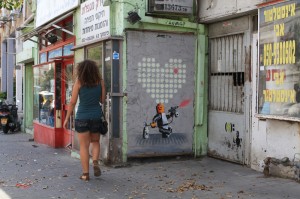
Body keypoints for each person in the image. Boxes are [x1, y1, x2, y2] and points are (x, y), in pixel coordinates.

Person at [63, 59, 106, 181]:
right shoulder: (100, 82)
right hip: (96, 117)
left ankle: (85, 174)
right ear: (94, 70)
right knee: (95, 141)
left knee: (84, 146)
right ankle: (96, 162)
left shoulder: (79, 82)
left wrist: (67, 118)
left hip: (82, 117)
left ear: (81, 70)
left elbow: (72, 102)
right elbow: (102, 100)